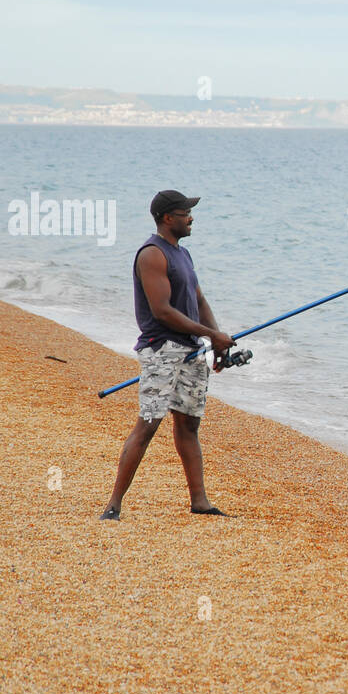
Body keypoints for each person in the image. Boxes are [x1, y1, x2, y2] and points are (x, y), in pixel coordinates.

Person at [100, 190, 236, 520]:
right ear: (166, 218)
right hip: (161, 350)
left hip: (191, 350)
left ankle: (200, 502)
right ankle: (113, 505)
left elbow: (199, 301)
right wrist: (210, 334)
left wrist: (216, 339)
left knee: (189, 426)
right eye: (184, 212)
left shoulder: (183, 255)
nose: (191, 217)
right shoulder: (151, 254)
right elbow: (162, 311)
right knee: (148, 425)